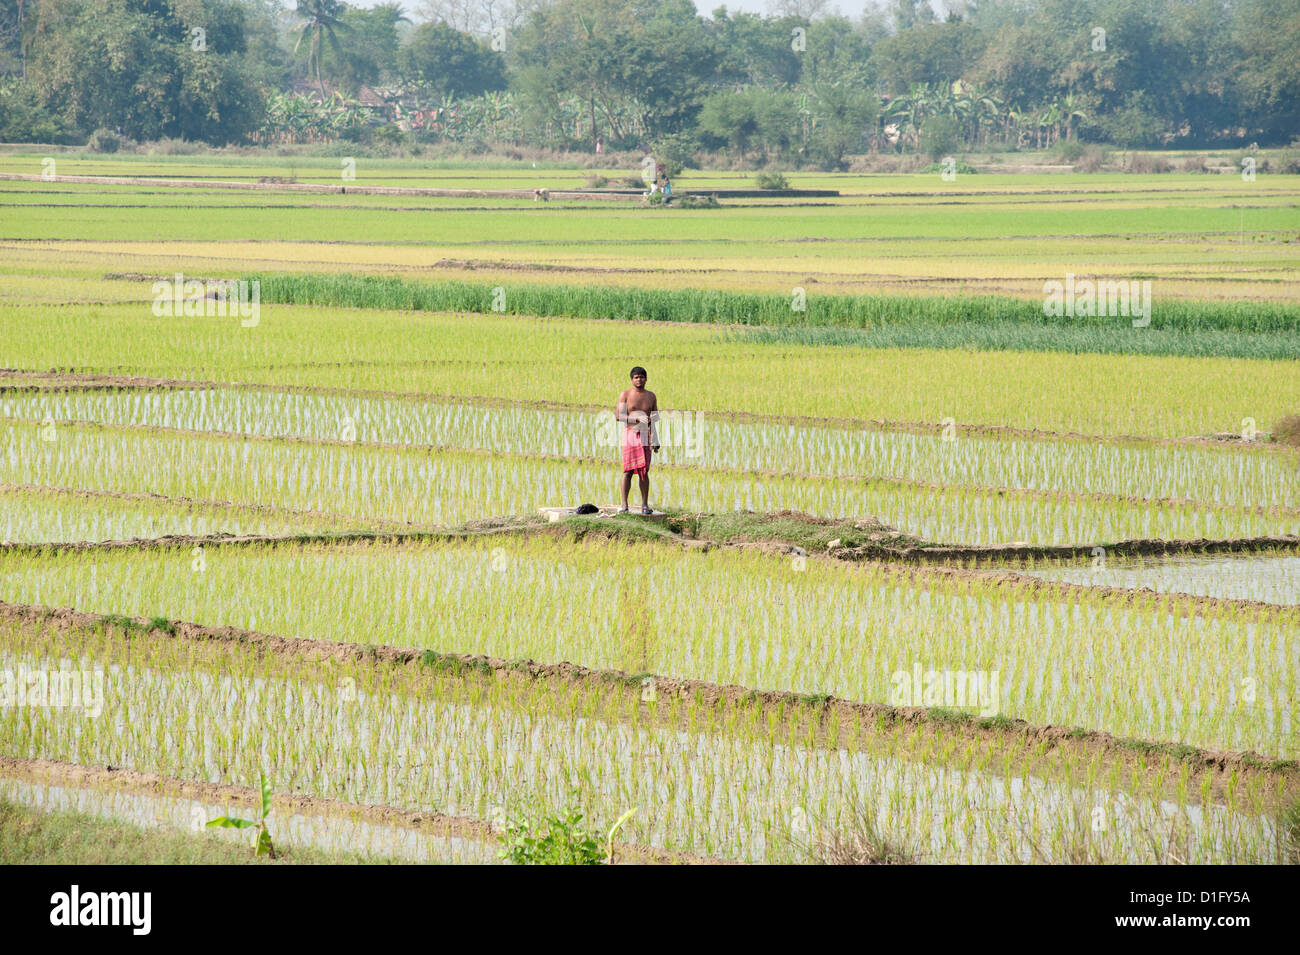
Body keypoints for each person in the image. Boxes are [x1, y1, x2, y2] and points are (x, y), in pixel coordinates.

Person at [616, 366, 659, 513]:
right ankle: (624, 505)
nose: (639, 379)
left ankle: (645, 505)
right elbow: (619, 416)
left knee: (644, 471)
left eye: (641, 377)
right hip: (630, 434)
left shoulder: (651, 396)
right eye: (636, 377)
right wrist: (635, 417)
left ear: (646, 379)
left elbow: (653, 419)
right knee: (627, 471)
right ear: (632, 379)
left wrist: (655, 439)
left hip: (645, 435)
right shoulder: (625, 395)